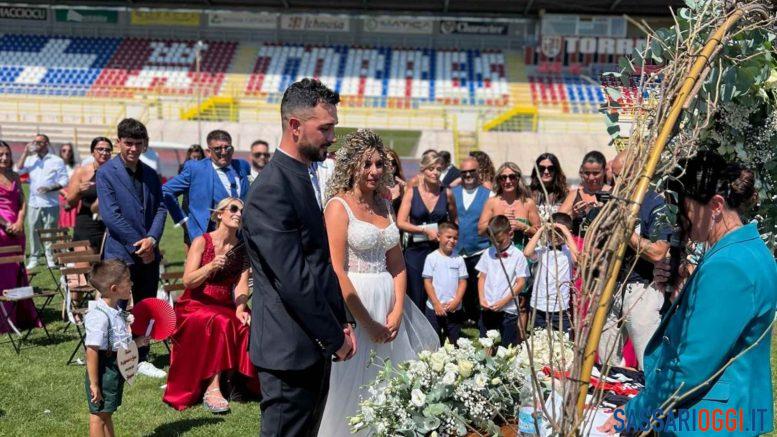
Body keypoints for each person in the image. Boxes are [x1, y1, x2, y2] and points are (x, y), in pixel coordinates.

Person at [599, 151, 777, 435]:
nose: (680, 220)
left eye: (685, 210)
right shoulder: (750, 251)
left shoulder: (729, 265)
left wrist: (633, 412)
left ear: (716, 206)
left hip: (709, 420)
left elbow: (691, 366)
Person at [243, 78, 355, 437]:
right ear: (295, 126)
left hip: (311, 343)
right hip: (288, 351)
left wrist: (343, 319)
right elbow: (294, 278)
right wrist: (334, 336)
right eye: (325, 128)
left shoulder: (300, 175)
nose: (332, 136)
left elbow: (319, 261)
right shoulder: (272, 188)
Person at [318, 129, 439, 436]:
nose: (374, 171)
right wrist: (366, 322)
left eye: (379, 164)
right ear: (352, 166)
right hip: (355, 303)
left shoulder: (385, 206)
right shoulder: (338, 206)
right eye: (367, 164)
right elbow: (337, 269)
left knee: (390, 380)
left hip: (389, 301)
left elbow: (397, 264)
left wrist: (398, 309)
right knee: (352, 383)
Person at [163, 197, 259, 413]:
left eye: (241, 211)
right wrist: (210, 267)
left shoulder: (242, 248)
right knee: (221, 322)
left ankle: (236, 383)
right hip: (195, 302)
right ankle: (212, 387)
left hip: (226, 302)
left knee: (246, 322)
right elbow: (187, 281)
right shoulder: (202, 241)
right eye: (233, 209)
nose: (238, 214)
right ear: (220, 214)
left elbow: (242, 286)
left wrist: (241, 308)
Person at [97, 118, 167, 379]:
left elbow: (161, 208)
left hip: (148, 251)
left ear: (145, 145)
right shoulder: (105, 173)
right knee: (117, 306)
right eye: (128, 143)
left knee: (146, 304)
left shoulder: (151, 173)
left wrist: (153, 238)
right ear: (118, 143)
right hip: (121, 252)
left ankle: (142, 357)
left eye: (138, 144)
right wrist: (141, 243)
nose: (133, 149)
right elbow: (111, 216)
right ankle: (112, 355)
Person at [596, 151, 672, 370]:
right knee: (607, 362)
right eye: (615, 177)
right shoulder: (615, 201)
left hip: (642, 290)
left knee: (648, 361)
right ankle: (615, 401)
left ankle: (650, 403)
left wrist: (625, 231)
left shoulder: (656, 203)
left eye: (624, 177)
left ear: (640, 174)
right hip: (612, 286)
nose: (618, 183)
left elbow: (658, 251)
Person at [84, 260, 149, 437]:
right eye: (128, 281)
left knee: (107, 412)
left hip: (114, 366)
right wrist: (94, 384)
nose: (132, 284)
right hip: (103, 370)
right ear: (114, 289)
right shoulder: (100, 316)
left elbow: (117, 343)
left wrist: (138, 343)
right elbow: (91, 350)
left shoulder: (114, 311)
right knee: (98, 415)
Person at [163, 130, 251, 244]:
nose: (224, 152)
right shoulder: (195, 169)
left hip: (239, 239)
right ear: (208, 152)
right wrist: (183, 220)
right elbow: (166, 191)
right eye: (218, 149)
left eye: (227, 148)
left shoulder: (242, 165)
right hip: (207, 238)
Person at [397, 151, 457, 311]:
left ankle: (437, 331)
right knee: (415, 295)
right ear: (423, 169)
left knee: (437, 295)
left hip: (438, 252)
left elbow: (454, 221)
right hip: (415, 251)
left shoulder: (447, 193)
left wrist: (448, 237)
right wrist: (423, 230)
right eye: (431, 169)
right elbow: (400, 222)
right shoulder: (412, 192)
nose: (435, 173)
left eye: (439, 169)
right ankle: (415, 333)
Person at [0, 140, 39, 334]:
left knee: (17, 271)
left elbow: (22, 201)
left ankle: (21, 315)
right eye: (1, 155)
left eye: (7, 154)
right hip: (2, 231)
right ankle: (5, 318)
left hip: (17, 230)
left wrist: (20, 220)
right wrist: (7, 225)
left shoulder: (15, 175)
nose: (5, 158)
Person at [15, 134, 69, 269]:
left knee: (49, 232)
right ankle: (34, 258)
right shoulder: (30, 159)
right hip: (34, 202)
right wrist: (25, 153)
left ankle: (50, 257)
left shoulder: (56, 160)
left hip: (51, 203)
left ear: (46, 143)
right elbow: (18, 171)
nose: (35, 144)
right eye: (34, 142)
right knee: (33, 230)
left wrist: (50, 187)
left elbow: (64, 180)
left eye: (38, 142)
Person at [476, 215, 530, 347]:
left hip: (508, 309)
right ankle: (485, 363)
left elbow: (521, 282)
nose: (496, 245)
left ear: (510, 234)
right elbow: (482, 277)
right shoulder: (487, 253)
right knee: (486, 343)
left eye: (499, 241)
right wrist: (482, 298)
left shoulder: (518, 256)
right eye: (493, 241)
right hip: (488, 306)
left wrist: (504, 301)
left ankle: (507, 364)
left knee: (507, 345)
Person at [451, 156, 492, 324]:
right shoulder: (452, 193)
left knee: (478, 288)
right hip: (456, 249)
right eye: (464, 172)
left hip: (479, 249)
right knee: (458, 287)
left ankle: (481, 320)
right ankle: (460, 320)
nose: (468, 175)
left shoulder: (489, 194)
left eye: (471, 171)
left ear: (478, 172)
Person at [523, 212, 577, 333]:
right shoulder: (542, 251)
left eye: (559, 233)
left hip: (560, 307)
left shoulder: (569, 253)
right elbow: (527, 253)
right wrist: (541, 229)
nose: (555, 236)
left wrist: (567, 233)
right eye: (551, 233)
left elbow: (578, 260)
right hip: (538, 304)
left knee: (563, 341)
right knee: (539, 339)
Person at [422, 221, 468, 345]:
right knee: (433, 341)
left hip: (453, 309)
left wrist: (456, 301)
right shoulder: (431, 258)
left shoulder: (459, 259)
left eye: (455, 238)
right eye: (449, 237)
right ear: (438, 237)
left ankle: (452, 363)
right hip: (434, 308)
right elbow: (427, 282)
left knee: (454, 342)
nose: (452, 240)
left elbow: (463, 282)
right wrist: (436, 303)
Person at [65, 138, 112, 253]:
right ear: (92, 152)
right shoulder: (82, 172)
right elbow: (69, 204)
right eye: (100, 149)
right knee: (84, 264)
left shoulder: (116, 172)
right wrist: (78, 191)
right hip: (87, 222)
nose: (104, 153)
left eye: (107, 150)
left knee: (107, 267)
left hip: (110, 223)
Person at [559, 150, 610, 237]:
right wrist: (573, 214)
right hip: (578, 245)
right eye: (587, 173)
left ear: (604, 171)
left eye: (596, 173)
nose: (591, 177)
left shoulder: (613, 192)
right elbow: (557, 222)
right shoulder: (575, 194)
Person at [178, 144, 205, 250]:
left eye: (199, 157)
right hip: (188, 204)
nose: (196, 159)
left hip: (202, 205)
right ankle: (188, 260)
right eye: (194, 157)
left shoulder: (206, 168)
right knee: (187, 235)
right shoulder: (183, 168)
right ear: (189, 156)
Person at [529, 152, 569, 220]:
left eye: (551, 168)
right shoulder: (527, 193)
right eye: (541, 168)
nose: (546, 172)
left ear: (556, 171)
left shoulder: (565, 193)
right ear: (536, 171)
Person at [58, 142, 78, 229]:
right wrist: (64, 193)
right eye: (64, 150)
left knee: (73, 222)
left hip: (73, 194)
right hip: (61, 195)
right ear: (60, 152)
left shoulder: (76, 166)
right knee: (61, 223)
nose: (67, 153)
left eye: (69, 151)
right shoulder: (56, 165)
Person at [385, 148, 406, 216]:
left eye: (393, 162)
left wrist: (403, 192)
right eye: (387, 161)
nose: (390, 165)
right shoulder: (374, 187)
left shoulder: (403, 186)